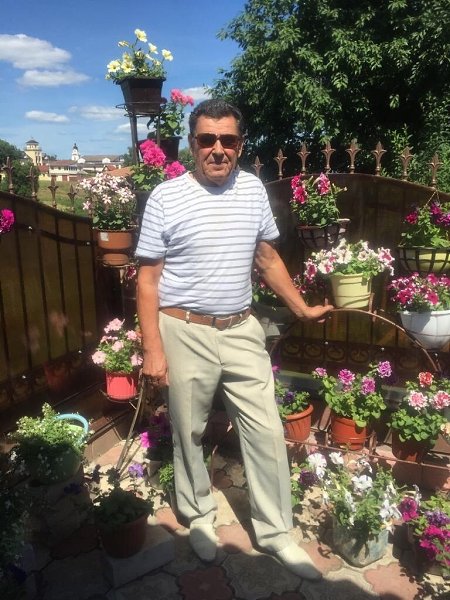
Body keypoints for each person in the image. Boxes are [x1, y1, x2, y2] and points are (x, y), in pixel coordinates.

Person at [135, 99, 333, 580]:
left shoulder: (252, 190)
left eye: (228, 140)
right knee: (189, 429)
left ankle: (275, 531)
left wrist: (302, 308)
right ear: (192, 144)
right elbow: (147, 280)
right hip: (184, 330)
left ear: (241, 145)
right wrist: (153, 349)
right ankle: (199, 516)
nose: (218, 149)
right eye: (208, 139)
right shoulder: (165, 197)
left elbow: (265, 258)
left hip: (242, 328)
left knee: (265, 429)